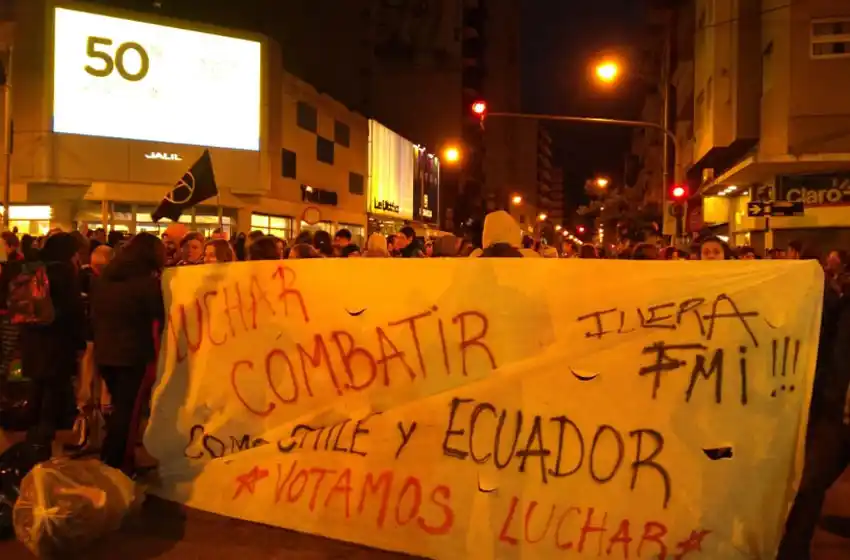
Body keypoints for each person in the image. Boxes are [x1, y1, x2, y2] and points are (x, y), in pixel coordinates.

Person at [90, 233, 165, 472]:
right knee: (129, 413)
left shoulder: (106, 280)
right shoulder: (146, 285)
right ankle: (119, 464)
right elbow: (157, 321)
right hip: (133, 356)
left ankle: (111, 456)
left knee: (121, 409)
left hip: (106, 354)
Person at [17, 233, 87, 460]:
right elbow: (73, 309)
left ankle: (31, 429)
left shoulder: (33, 267)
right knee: (54, 386)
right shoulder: (64, 271)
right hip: (56, 338)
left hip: (32, 336)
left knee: (38, 384)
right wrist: (80, 340)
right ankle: (43, 436)